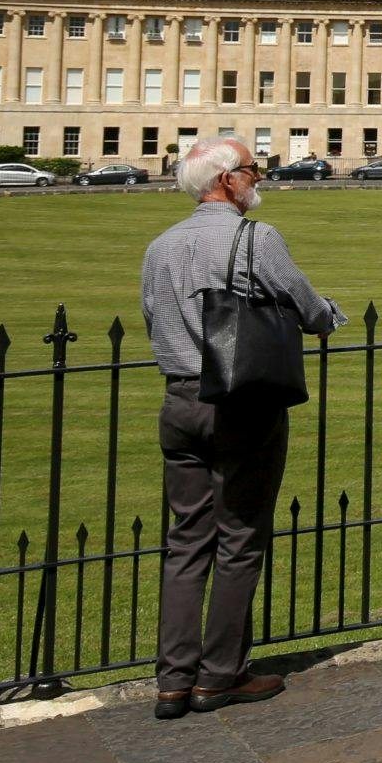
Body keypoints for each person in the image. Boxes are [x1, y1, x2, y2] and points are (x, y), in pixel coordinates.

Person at [141, 137, 345, 719]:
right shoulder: (256, 237)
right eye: (254, 170)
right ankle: (220, 676)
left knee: (185, 542)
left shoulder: (161, 245)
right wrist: (329, 313)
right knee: (238, 539)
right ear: (228, 180)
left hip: (180, 402)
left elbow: (154, 318)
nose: (261, 179)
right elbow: (307, 308)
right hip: (240, 402)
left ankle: (173, 681)